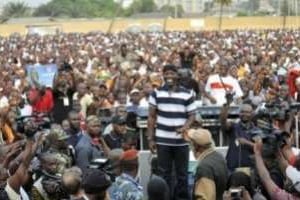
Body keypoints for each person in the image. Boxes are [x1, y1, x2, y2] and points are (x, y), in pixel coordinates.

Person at [147, 64, 196, 200]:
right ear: (163, 75)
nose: (169, 76)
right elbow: (151, 117)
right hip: (162, 140)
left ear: (177, 76)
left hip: (181, 141)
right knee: (164, 174)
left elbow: (192, 115)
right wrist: (150, 139)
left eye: (172, 73)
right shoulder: (156, 93)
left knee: (182, 175)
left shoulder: (187, 93)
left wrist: (185, 127)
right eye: (166, 73)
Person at [185, 128, 228, 200]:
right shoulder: (219, 156)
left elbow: (205, 197)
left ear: (196, 146)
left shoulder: (204, 167)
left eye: (191, 143)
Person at [220, 103, 256, 172]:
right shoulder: (233, 126)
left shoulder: (256, 130)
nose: (244, 114)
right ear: (239, 113)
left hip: (249, 169)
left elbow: (260, 148)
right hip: (232, 168)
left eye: (247, 112)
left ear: (252, 114)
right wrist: (225, 109)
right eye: (242, 112)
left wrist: (247, 142)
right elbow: (223, 123)